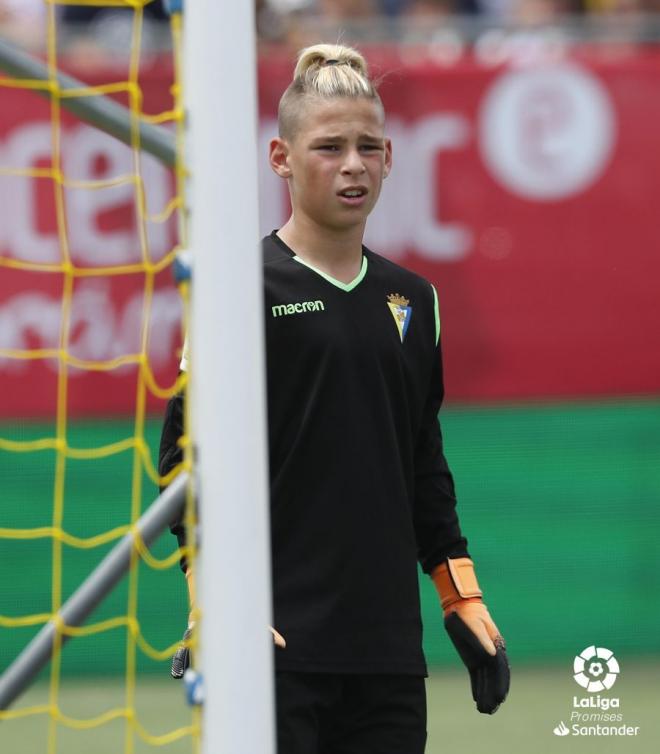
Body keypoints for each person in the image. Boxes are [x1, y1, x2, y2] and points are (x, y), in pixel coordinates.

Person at [159, 42, 509, 753]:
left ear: (388, 156)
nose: (353, 164)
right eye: (329, 147)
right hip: (274, 647)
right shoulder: (239, 289)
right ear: (281, 158)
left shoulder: (413, 298)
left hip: (387, 657)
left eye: (369, 147)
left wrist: (461, 596)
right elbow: (180, 463)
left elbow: (422, 467)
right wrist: (214, 607)